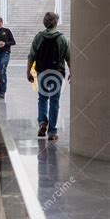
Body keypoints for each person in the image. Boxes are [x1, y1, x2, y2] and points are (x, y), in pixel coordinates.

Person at [27, 12, 70, 142]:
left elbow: (31, 56)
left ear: (44, 23)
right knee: (55, 101)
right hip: (57, 72)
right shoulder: (62, 38)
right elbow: (68, 57)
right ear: (56, 23)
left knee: (43, 98)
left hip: (42, 72)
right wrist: (72, 72)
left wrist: (28, 71)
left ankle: (42, 122)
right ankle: (52, 132)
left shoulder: (38, 37)